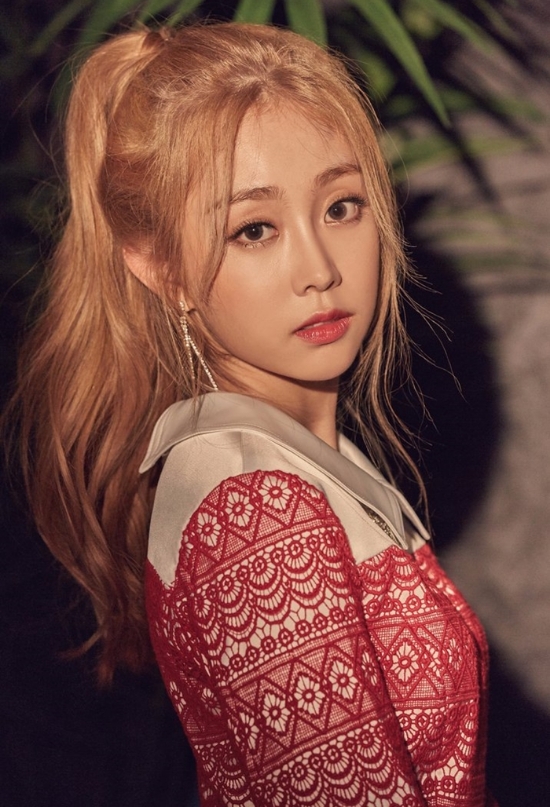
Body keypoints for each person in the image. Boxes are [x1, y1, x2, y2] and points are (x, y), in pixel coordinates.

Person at [6, 21, 497, 806]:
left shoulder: (295, 463)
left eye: (341, 206)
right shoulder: (254, 506)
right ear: (160, 266)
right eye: (254, 229)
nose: (320, 269)